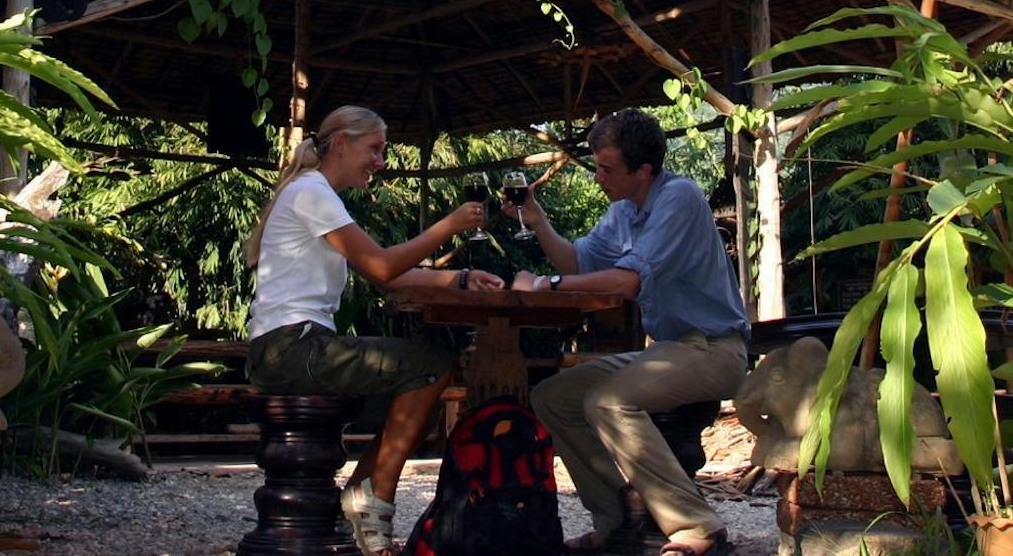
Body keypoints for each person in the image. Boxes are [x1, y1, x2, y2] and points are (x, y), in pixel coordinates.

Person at [246, 104, 500, 555]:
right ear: (341, 143)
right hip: (290, 348)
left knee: (421, 366)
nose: (381, 162)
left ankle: (366, 491)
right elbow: (383, 267)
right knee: (426, 364)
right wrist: (450, 225)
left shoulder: (318, 194)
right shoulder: (312, 193)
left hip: (293, 345)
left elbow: (389, 272)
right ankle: (372, 496)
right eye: (376, 149)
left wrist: (459, 279)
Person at [507, 109, 748, 556]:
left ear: (644, 171)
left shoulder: (680, 198)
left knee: (610, 399)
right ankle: (617, 519)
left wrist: (542, 285)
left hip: (717, 351)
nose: (598, 177)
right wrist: (537, 219)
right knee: (553, 396)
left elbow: (626, 282)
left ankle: (698, 526)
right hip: (673, 350)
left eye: (606, 168)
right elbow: (578, 264)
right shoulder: (623, 211)